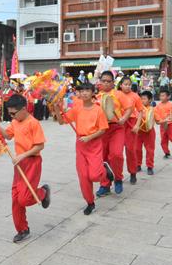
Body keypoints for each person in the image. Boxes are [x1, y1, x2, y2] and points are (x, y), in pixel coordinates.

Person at [0, 94, 51, 243]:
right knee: (16, 198)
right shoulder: (16, 122)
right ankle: (22, 229)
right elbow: (8, 136)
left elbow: (40, 146)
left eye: (13, 113)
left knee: (24, 198)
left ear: (24, 109)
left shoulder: (33, 123)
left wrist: (22, 156)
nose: (11, 116)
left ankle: (43, 192)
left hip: (32, 162)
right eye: (9, 113)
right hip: (19, 164)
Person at [56, 82, 109, 215]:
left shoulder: (98, 110)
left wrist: (89, 137)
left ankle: (105, 171)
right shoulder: (77, 108)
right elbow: (62, 121)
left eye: (87, 90)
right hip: (81, 145)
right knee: (83, 176)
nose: (84, 93)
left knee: (95, 175)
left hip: (94, 144)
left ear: (92, 93)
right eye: (82, 90)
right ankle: (90, 202)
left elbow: (103, 129)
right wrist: (57, 108)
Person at [97, 71, 135, 196]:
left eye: (109, 81)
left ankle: (118, 179)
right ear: (100, 82)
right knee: (102, 158)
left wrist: (124, 118)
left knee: (116, 155)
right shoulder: (95, 97)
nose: (106, 83)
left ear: (113, 83)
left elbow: (129, 108)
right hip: (101, 131)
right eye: (104, 81)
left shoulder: (119, 94)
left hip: (117, 128)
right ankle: (105, 185)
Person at [118, 76, 143, 184]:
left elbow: (141, 111)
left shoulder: (135, 96)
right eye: (125, 84)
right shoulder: (116, 94)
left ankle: (133, 173)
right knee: (117, 152)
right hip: (118, 124)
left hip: (131, 123)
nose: (127, 86)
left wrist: (137, 125)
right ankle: (117, 175)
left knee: (130, 150)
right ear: (120, 85)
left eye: (129, 84)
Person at [132, 91, 156, 175]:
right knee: (137, 149)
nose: (142, 100)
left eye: (144, 99)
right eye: (141, 99)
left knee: (150, 150)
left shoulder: (153, 109)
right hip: (139, 132)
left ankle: (150, 166)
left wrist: (164, 122)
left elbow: (157, 120)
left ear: (150, 100)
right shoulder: (137, 109)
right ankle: (138, 165)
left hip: (149, 132)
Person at [154, 88, 172, 159]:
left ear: (168, 97)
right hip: (163, 125)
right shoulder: (158, 106)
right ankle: (166, 152)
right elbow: (156, 116)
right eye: (160, 96)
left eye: (163, 96)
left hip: (171, 124)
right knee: (163, 139)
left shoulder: (171, 105)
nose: (161, 97)